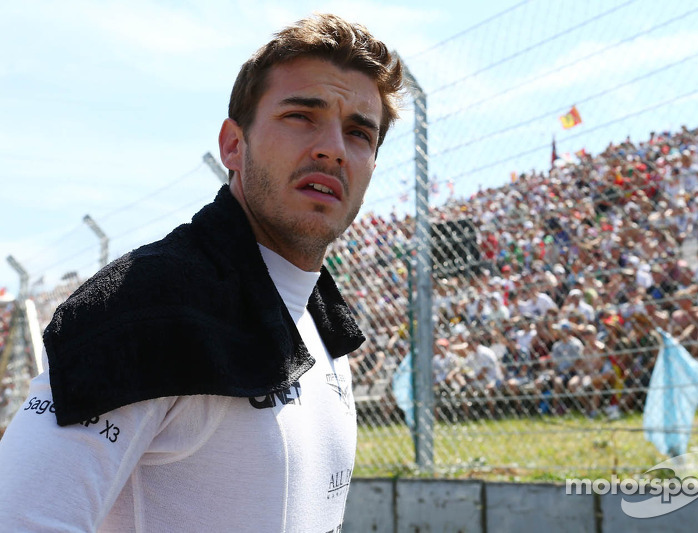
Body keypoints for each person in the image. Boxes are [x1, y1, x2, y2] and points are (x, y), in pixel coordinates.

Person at [0, 14, 404, 532]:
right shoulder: (146, 304)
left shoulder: (324, 323)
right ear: (233, 145)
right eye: (302, 115)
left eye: (359, 133)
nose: (332, 148)